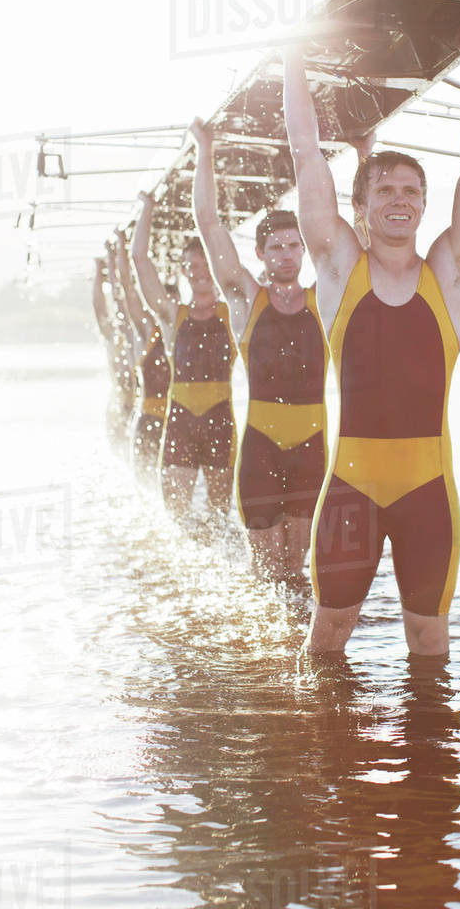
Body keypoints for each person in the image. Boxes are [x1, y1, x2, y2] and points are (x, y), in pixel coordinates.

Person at [283, 37, 460, 657]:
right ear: (361, 207)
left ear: (426, 205)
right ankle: (324, 753)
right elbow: (305, 158)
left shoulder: (450, 275)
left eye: (411, 191)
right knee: (327, 636)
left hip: (429, 492)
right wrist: (293, 61)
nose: (399, 199)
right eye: (385, 191)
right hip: (351, 491)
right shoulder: (337, 268)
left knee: (428, 640)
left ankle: (430, 755)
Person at [190, 117, 329, 580]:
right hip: (260, 450)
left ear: (304, 251)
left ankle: (290, 651)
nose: (287, 254)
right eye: (276, 247)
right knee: (266, 569)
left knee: (296, 569)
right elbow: (208, 224)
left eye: (294, 246)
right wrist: (204, 149)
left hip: (312, 448)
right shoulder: (247, 299)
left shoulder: (323, 299)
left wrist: (365, 151)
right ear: (261, 254)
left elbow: (363, 236)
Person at [131, 192, 237, 530]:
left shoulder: (234, 312)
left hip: (221, 425)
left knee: (219, 521)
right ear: (183, 271)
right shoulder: (170, 315)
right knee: (175, 521)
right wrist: (147, 209)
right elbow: (140, 260)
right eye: (193, 266)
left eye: (207, 264)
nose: (201, 272)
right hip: (180, 426)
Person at [113, 229, 171, 487]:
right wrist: (121, 250)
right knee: (145, 487)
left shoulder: (186, 328)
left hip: (177, 423)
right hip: (149, 420)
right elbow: (128, 289)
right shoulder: (148, 328)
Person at [92, 245, 137, 460]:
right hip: (119, 403)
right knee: (121, 455)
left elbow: (122, 299)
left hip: (141, 403)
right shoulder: (114, 335)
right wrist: (100, 277)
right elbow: (101, 309)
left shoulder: (137, 333)